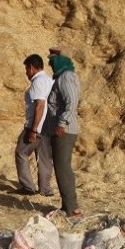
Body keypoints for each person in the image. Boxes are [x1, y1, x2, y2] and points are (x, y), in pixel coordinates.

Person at [47, 49, 81, 217]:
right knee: (61, 167)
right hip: (62, 128)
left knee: (63, 168)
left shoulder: (66, 76)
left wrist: (61, 123)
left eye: (52, 63)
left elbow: (72, 102)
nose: (50, 66)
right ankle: (67, 205)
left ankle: (72, 208)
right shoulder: (62, 77)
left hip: (65, 129)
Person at [15, 54, 54, 196]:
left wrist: (33, 129)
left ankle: (28, 188)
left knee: (21, 152)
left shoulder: (38, 82)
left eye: (26, 68)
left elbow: (40, 106)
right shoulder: (49, 80)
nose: (26, 72)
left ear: (31, 67)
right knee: (44, 159)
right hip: (49, 126)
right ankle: (45, 189)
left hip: (36, 126)